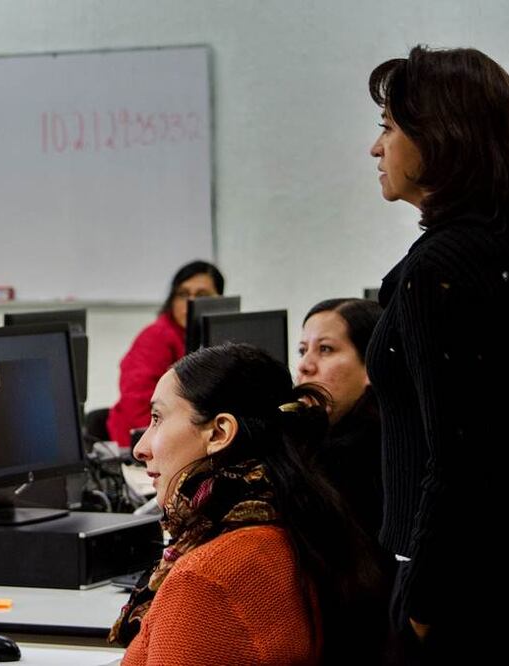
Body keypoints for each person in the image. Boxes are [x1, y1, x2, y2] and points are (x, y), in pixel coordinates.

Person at [367, 46, 509, 659]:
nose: (376, 148)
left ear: (439, 137)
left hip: (458, 594)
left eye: (388, 127)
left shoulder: (440, 269)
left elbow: (461, 462)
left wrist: (420, 606)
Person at [111, 343, 384, 664]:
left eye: (157, 417)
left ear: (219, 432)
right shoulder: (298, 520)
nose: (140, 448)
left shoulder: (203, 579)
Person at [106, 260, 225, 448]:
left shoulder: (218, 337)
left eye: (202, 295)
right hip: (143, 442)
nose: (190, 303)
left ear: (221, 300)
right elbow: (137, 406)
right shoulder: (155, 338)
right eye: (183, 294)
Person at [295, 297, 384, 537]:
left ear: (371, 366)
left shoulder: (356, 458)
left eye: (325, 349)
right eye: (303, 350)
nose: (304, 365)